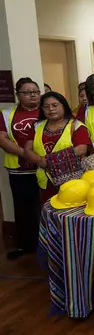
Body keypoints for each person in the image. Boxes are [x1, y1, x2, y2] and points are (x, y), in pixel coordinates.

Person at [23, 92, 91, 204]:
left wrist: (50, 160)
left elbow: (81, 149)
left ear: (63, 106)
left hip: (72, 182)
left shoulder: (76, 126)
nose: (51, 109)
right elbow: (27, 150)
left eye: (55, 105)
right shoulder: (37, 126)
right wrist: (40, 161)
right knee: (49, 212)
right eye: (46, 106)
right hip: (45, 180)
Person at [0, 78, 41, 260]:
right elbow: (2, 139)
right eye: (27, 92)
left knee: (44, 206)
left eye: (35, 91)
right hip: (19, 169)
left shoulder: (47, 111)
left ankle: (48, 245)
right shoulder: (7, 114)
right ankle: (25, 244)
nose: (33, 95)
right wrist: (25, 154)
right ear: (18, 95)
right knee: (23, 207)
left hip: (44, 168)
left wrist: (37, 158)